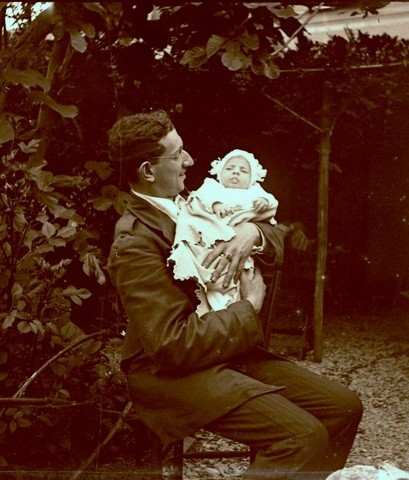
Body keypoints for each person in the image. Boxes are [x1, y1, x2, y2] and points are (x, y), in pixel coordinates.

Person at [107, 110, 363, 480]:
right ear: (148, 171)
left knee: (343, 407)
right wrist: (249, 307)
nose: (189, 160)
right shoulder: (134, 241)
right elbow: (171, 345)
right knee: (302, 437)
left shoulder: (196, 202)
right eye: (177, 155)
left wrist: (251, 234)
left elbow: (275, 236)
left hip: (223, 350)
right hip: (169, 374)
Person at [168, 148, 279, 316]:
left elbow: (271, 203)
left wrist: (263, 201)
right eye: (230, 168)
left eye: (243, 171)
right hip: (210, 246)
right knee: (209, 282)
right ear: (219, 172)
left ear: (253, 177)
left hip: (238, 252)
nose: (235, 172)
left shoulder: (254, 191)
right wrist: (216, 205)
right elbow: (203, 198)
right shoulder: (212, 187)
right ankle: (217, 314)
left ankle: (228, 310)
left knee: (236, 285)